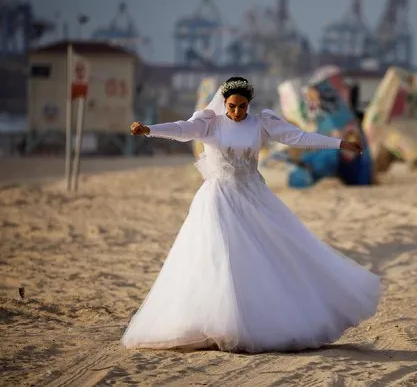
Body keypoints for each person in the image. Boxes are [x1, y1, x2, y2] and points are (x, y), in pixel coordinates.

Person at [122, 77, 380, 353]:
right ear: (224, 103)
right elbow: (181, 129)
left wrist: (340, 144)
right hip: (219, 197)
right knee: (217, 256)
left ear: (249, 104)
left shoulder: (261, 123)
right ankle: (213, 323)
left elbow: (299, 137)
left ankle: (257, 321)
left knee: (265, 254)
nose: (236, 112)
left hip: (253, 196)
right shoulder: (209, 122)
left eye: (242, 106)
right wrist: (149, 129)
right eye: (232, 106)